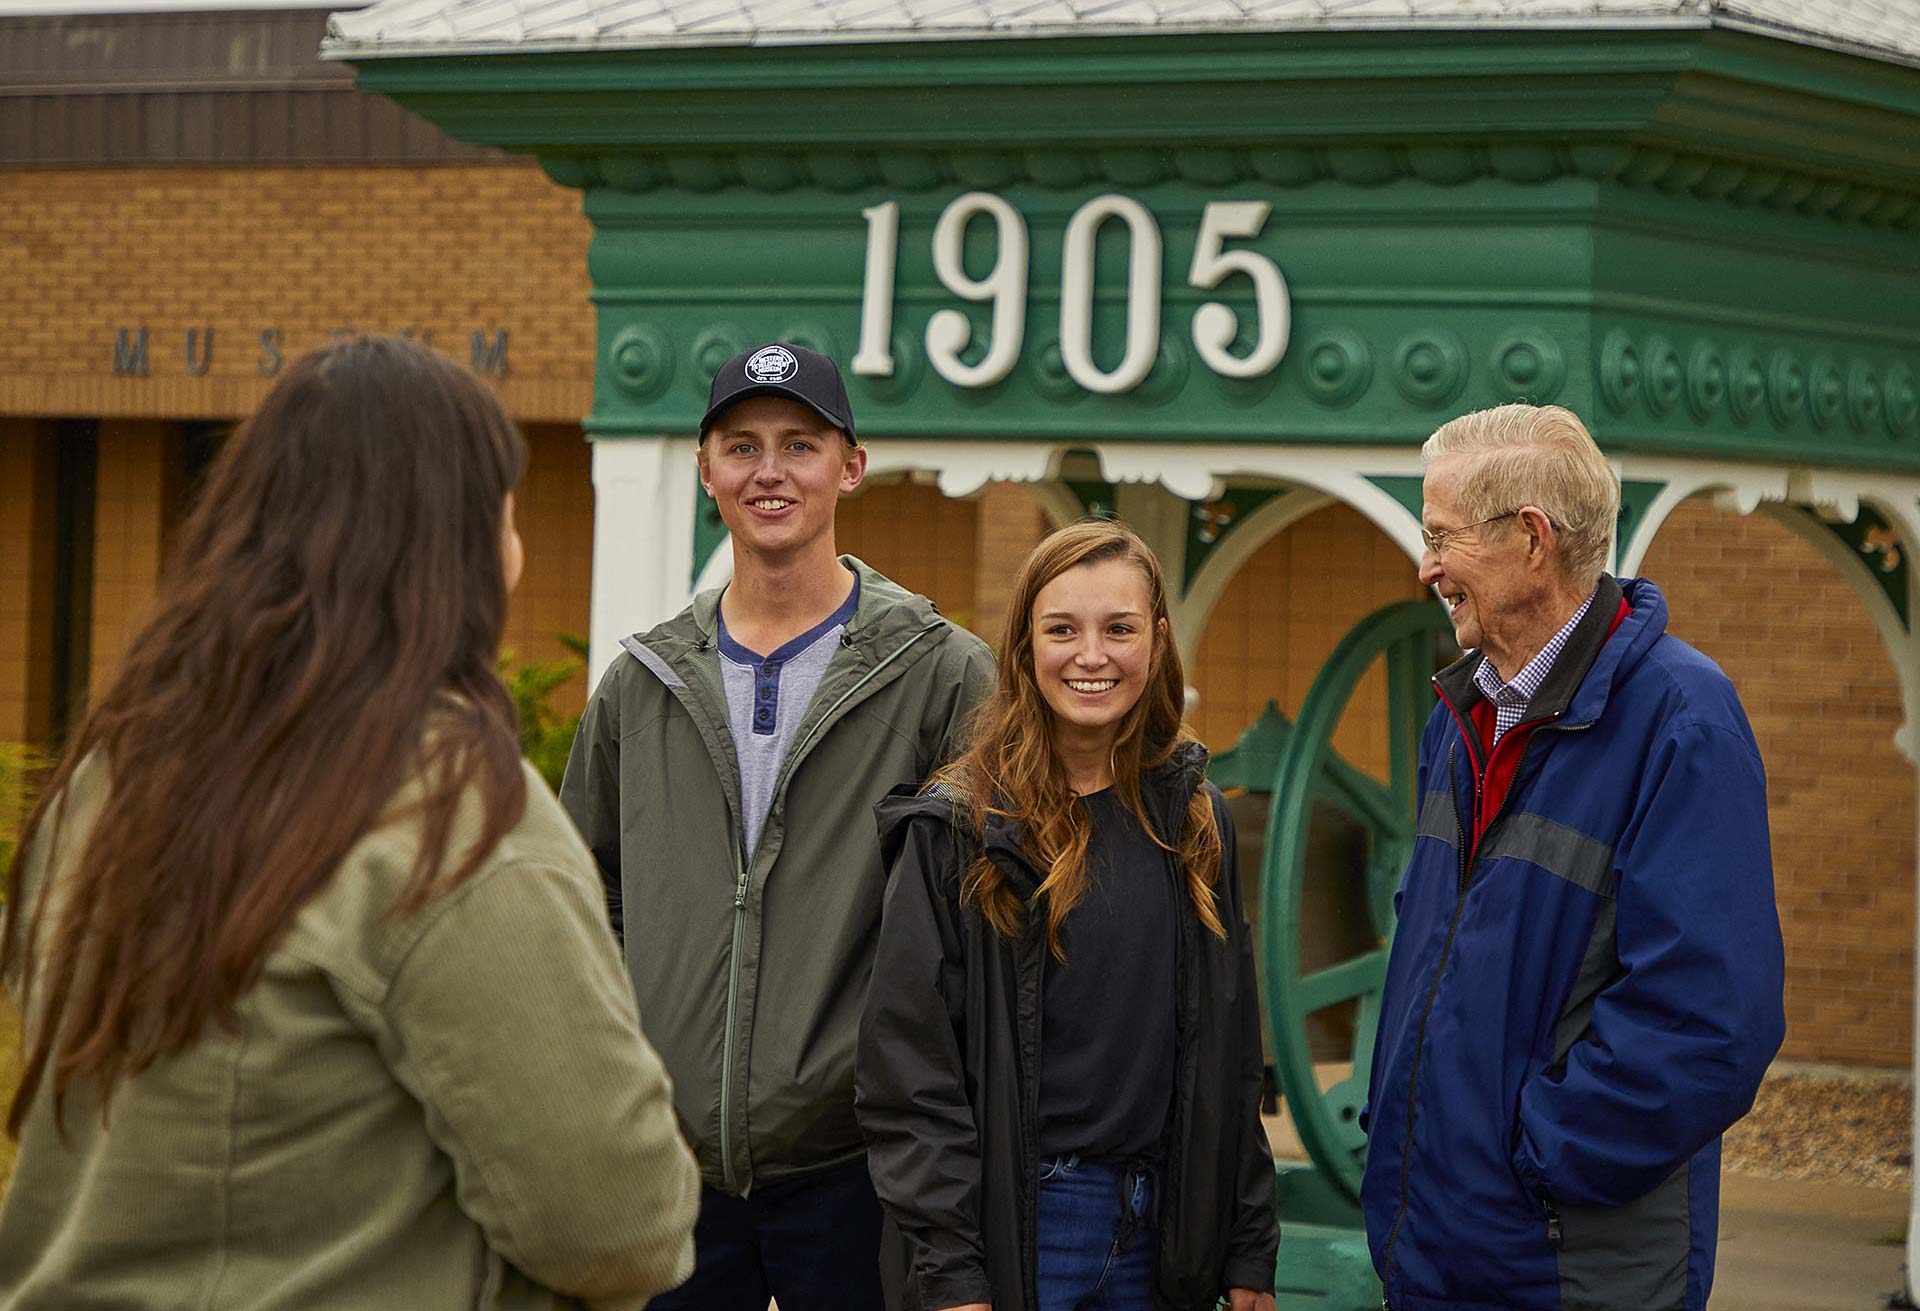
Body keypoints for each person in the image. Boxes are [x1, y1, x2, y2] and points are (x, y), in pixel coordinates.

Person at [0, 337, 699, 1310]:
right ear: (459, 547)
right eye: (507, 513)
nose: (518, 549)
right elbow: (617, 1222)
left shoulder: (115, 772)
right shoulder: (448, 807)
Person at [559, 341, 994, 1311]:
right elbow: (582, 902)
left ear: (851, 466)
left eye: (800, 444)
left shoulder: (941, 675)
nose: (770, 471)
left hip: (861, 1165)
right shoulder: (639, 685)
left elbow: (985, 919)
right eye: (742, 446)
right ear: (706, 469)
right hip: (670, 1171)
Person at [1361, 403, 1786, 1310]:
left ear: (1531, 538)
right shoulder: (1464, 716)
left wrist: (1542, 1162)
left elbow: (1710, 1022)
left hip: (1566, 1264)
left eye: (1440, 536)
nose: (1426, 567)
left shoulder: (1684, 721)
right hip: (1435, 1248)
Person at [857, 519, 1280, 1311]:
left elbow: (1231, 1056)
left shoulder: (1195, 818)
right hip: (1021, 1228)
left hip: (1164, 1232)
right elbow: (910, 1076)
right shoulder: (958, 828)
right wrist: (953, 1276)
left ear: (1157, 640)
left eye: (1119, 629)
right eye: (1062, 630)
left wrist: (1249, 1246)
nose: (1092, 655)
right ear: (1024, 647)